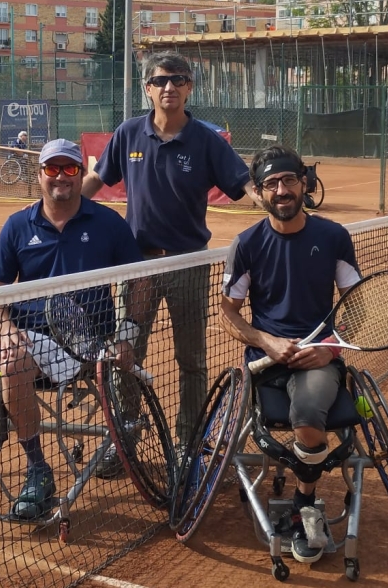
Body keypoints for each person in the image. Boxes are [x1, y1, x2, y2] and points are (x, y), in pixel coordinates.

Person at [81, 50, 260, 457]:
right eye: (160, 81)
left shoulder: (206, 141)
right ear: (147, 88)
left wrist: (269, 201)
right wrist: (65, 208)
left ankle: (189, 441)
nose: (169, 87)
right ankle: (125, 434)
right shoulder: (127, 134)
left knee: (192, 358)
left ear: (189, 87)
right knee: (125, 353)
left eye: (178, 79)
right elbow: (96, 177)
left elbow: (243, 184)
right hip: (137, 265)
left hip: (188, 263)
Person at [0, 138, 146, 520]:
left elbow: (141, 280)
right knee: (10, 362)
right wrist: (7, 329)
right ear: (40, 175)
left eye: (70, 169)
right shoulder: (18, 225)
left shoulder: (107, 223)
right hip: (33, 338)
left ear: (80, 173)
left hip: (92, 343)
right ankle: (38, 468)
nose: (61, 177)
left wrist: (128, 334)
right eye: (52, 169)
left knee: (12, 365)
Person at [219, 145, 361, 565]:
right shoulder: (246, 244)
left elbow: (358, 303)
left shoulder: (333, 237)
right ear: (260, 192)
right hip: (267, 362)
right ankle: (306, 492)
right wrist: (266, 342)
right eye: (271, 184)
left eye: (288, 180)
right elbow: (228, 311)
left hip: (319, 359)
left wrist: (329, 347)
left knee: (308, 412)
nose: (281, 190)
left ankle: (305, 503)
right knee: (295, 415)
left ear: (304, 183)